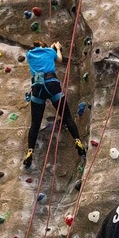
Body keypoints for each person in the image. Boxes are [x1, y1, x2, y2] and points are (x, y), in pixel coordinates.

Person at [23, 40, 86, 168]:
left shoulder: (29, 55)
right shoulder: (50, 52)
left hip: (38, 88)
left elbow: (40, 53)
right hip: (52, 85)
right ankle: (77, 141)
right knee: (67, 117)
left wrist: (49, 48)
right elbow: (59, 59)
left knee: (35, 124)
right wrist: (57, 48)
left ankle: (30, 152)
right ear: (45, 46)